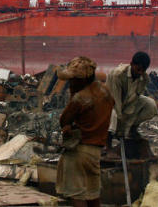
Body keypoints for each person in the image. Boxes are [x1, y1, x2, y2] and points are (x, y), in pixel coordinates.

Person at [55, 56, 115, 207]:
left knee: (77, 195)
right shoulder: (106, 91)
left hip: (79, 150)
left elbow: (64, 120)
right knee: (93, 194)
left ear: (81, 80)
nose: (70, 83)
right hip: (95, 152)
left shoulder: (80, 98)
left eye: (72, 80)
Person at [106, 51, 158, 142]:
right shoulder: (118, 75)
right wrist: (120, 122)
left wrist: (127, 125)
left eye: (143, 70)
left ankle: (132, 130)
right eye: (138, 69)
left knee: (150, 104)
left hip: (126, 103)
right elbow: (115, 101)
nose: (140, 73)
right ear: (131, 64)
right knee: (113, 113)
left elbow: (135, 100)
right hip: (109, 103)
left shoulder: (144, 78)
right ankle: (108, 143)